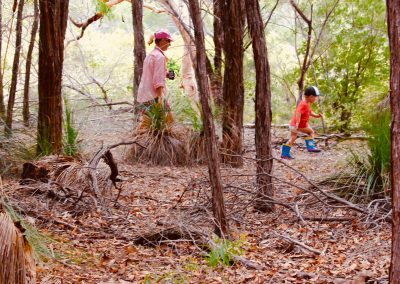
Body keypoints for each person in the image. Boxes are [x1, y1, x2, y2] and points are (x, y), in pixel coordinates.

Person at [281, 86, 323, 159]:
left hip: (293, 125)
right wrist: (297, 122)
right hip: (298, 125)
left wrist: (317, 116)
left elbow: (310, 112)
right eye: (315, 97)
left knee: (293, 138)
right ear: (310, 96)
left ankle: (284, 154)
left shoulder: (307, 103)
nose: (315, 99)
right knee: (311, 132)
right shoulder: (303, 104)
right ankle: (311, 147)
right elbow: (298, 112)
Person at [136, 30, 174, 113]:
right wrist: (161, 97)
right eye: (169, 41)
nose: (170, 44)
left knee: (147, 123)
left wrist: (166, 74)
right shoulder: (160, 57)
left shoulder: (151, 55)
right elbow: (157, 80)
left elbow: (152, 73)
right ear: (163, 41)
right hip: (154, 96)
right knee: (168, 120)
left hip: (145, 95)